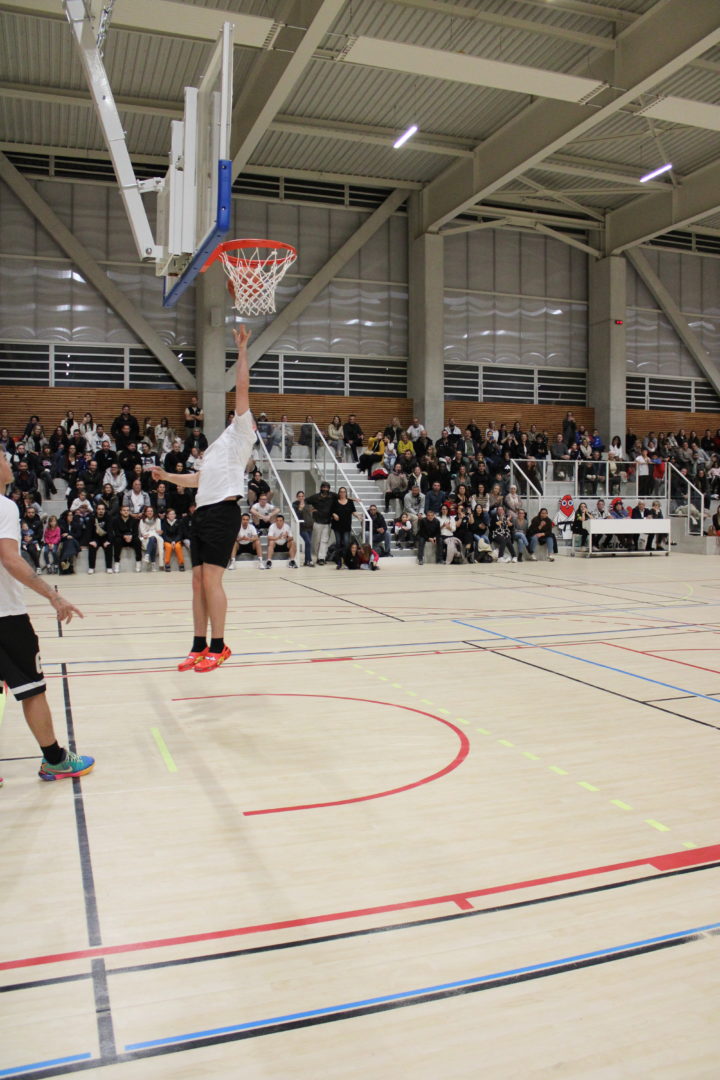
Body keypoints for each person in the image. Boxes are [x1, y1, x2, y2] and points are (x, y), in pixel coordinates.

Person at [152, 326, 256, 673]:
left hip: (224, 512)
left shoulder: (241, 434)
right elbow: (197, 480)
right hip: (202, 513)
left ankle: (219, 645)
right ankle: (198, 646)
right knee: (197, 581)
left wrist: (242, 350)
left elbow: (242, 387)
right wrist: (167, 476)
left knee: (212, 580)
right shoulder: (212, 450)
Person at [0, 451, 94, 785]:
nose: (9, 464)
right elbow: (10, 559)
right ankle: (55, 760)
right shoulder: (4, 506)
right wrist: (53, 595)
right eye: (3, 459)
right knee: (32, 688)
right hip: (6, 617)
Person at [330, 487, 358, 568]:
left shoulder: (350, 502)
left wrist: (358, 516)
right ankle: (338, 560)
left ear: (346, 493)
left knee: (346, 543)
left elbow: (353, 511)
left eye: (344, 492)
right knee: (338, 543)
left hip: (346, 525)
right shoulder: (335, 501)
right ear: (339, 493)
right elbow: (331, 511)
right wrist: (334, 514)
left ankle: (345, 559)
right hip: (337, 525)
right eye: (341, 492)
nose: (342, 493)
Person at [87, 503, 114, 574]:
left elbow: (110, 531)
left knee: (109, 546)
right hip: (95, 538)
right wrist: (90, 541)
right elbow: (88, 531)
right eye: (99, 509)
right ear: (96, 510)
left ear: (105, 510)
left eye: (102, 509)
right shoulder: (92, 518)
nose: (101, 511)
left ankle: (109, 567)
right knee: (91, 547)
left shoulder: (108, 518)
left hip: (105, 538)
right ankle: (91, 567)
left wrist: (108, 541)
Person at [292, 491, 315, 567]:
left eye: (302, 496)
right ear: (297, 497)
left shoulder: (307, 503)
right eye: (299, 496)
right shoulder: (295, 504)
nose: (301, 498)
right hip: (302, 527)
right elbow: (296, 516)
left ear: (304, 497)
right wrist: (300, 509)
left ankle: (306, 561)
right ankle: (310, 560)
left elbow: (309, 513)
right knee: (308, 542)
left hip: (309, 525)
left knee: (308, 543)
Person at [139, 506, 162, 570]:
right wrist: (151, 532)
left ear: (153, 512)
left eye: (151, 511)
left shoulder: (157, 520)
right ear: (145, 513)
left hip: (155, 537)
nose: (150, 512)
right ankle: (153, 563)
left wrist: (151, 533)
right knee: (153, 540)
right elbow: (142, 532)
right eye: (148, 511)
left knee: (153, 538)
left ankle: (147, 555)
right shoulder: (142, 521)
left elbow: (158, 531)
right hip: (145, 538)